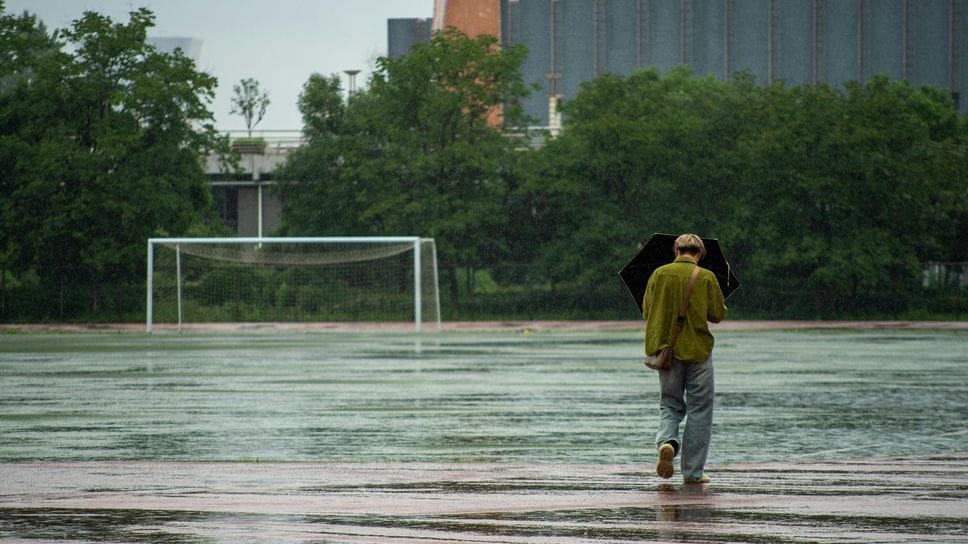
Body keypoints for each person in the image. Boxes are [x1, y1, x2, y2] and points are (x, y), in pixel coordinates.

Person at [642, 233, 726, 484]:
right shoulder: (707, 277)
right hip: (698, 351)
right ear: (699, 254)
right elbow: (717, 315)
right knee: (700, 409)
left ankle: (667, 442)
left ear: (676, 251)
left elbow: (647, 310)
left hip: (666, 350)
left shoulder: (658, 274)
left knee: (670, 404)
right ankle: (693, 473)